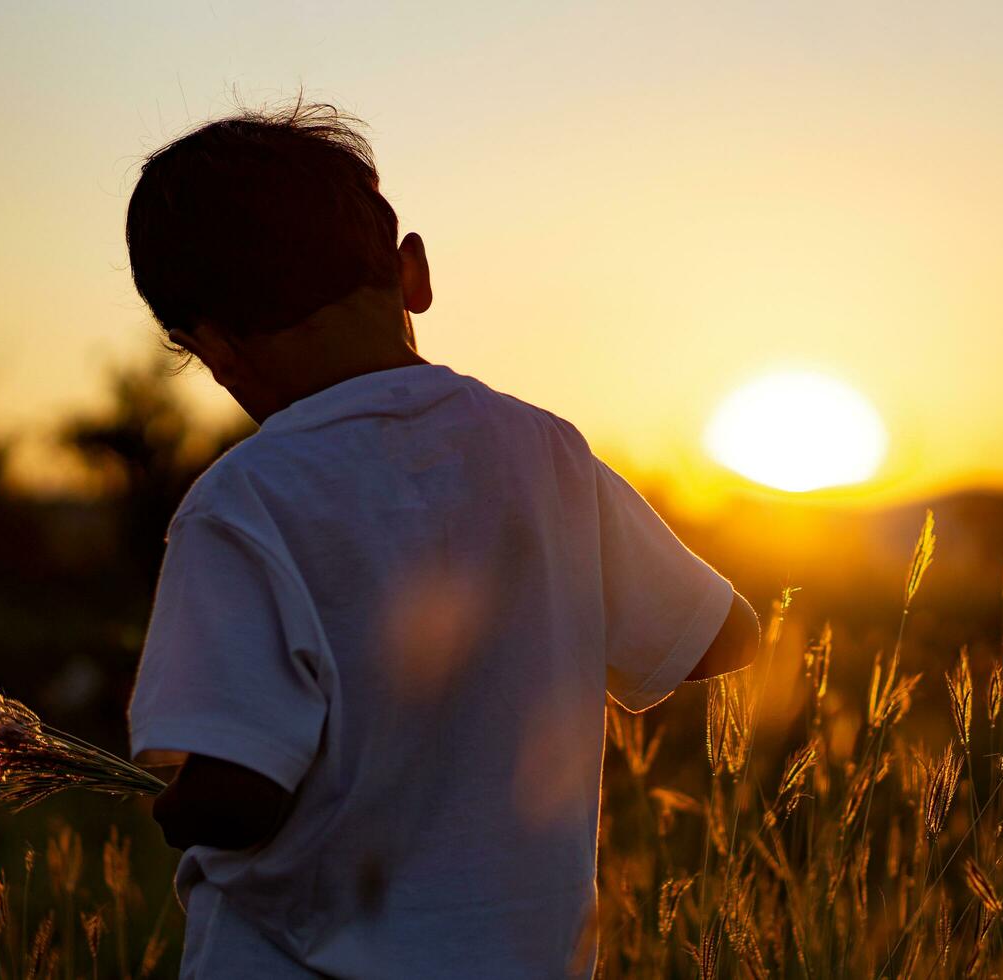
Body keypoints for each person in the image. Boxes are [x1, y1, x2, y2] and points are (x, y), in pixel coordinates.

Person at [124, 100, 759, 979]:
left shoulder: (242, 502)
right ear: (412, 272)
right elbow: (726, 637)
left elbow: (239, 795)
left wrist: (177, 806)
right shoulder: (547, 453)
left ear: (214, 347)